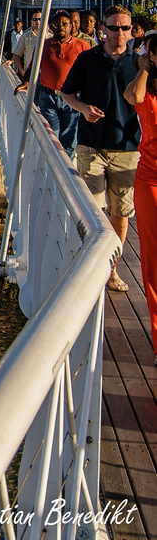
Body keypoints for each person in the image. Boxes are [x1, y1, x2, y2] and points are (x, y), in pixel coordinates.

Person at [61, 4, 140, 292]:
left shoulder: (139, 64)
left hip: (127, 148)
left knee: (120, 213)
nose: (119, 32)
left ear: (131, 30)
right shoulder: (88, 59)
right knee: (94, 212)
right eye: (113, 27)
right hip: (91, 145)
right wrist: (83, 108)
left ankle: (112, 270)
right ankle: (91, 270)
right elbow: (66, 93)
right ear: (102, 29)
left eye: (124, 27)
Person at [122, 30, 157, 365]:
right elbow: (133, 95)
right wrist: (145, 64)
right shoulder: (147, 89)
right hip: (151, 179)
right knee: (152, 257)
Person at [15, 9, 90, 159]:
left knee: (69, 138)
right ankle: (50, 168)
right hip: (49, 96)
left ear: (71, 26)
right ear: (50, 26)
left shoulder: (82, 46)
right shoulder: (44, 45)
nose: (61, 27)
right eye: (56, 24)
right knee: (51, 135)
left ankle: (65, 171)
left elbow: (91, 72)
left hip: (73, 98)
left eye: (64, 24)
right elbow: (33, 67)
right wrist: (26, 82)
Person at [12, 10, 51, 79]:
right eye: (35, 19)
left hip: (47, 76)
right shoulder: (25, 36)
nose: (38, 22)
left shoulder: (50, 37)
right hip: (30, 77)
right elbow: (16, 56)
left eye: (40, 19)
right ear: (31, 21)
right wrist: (22, 72)